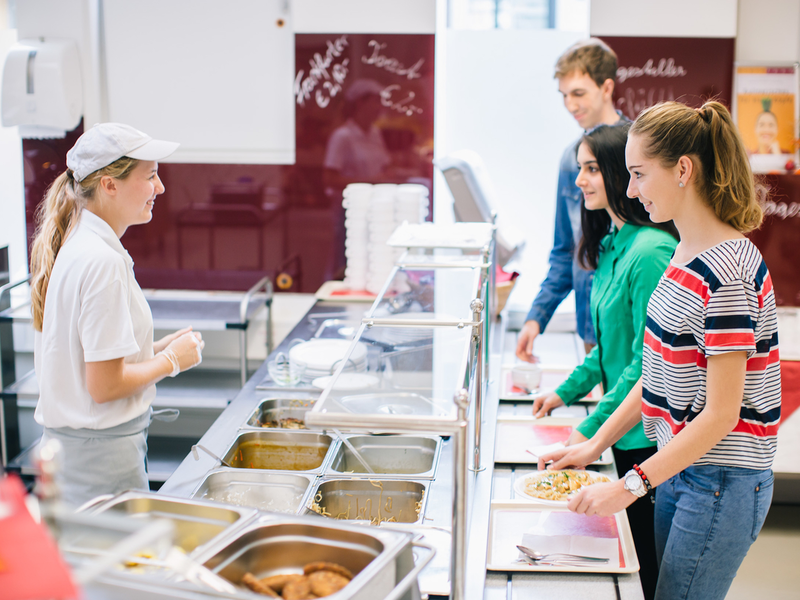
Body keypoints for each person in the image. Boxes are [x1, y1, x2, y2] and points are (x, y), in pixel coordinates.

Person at [541, 101, 780, 600]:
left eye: (639, 174)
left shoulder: (729, 271)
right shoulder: (682, 255)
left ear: (683, 171)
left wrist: (627, 486)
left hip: (720, 482)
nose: (629, 190)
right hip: (677, 469)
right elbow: (657, 374)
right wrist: (594, 445)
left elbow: (720, 414)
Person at [532, 123, 678, 600]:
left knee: (645, 570)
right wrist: (564, 393)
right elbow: (606, 348)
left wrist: (590, 433)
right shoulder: (616, 244)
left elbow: (643, 365)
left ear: (621, 173)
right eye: (580, 169)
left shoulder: (651, 250)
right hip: (618, 431)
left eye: (591, 169)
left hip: (643, 438)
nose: (580, 181)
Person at [30, 123, 205, 506]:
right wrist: (171, 361)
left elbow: (90, 358)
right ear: (109, 185)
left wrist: (155, 347)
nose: (159, 188)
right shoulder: (101, 261)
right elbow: (105, 387)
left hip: (83, 456)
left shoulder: (83, 244)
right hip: (99, 464)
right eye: (151, 176)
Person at [516, 38, 627, 362]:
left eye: (578, 93)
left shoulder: (637, 149)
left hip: (633, 321)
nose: (570, 104)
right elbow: (566, 250)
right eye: (564, 95)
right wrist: (537, 317)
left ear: (606, 88)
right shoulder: (570, 159)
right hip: (590, 327)